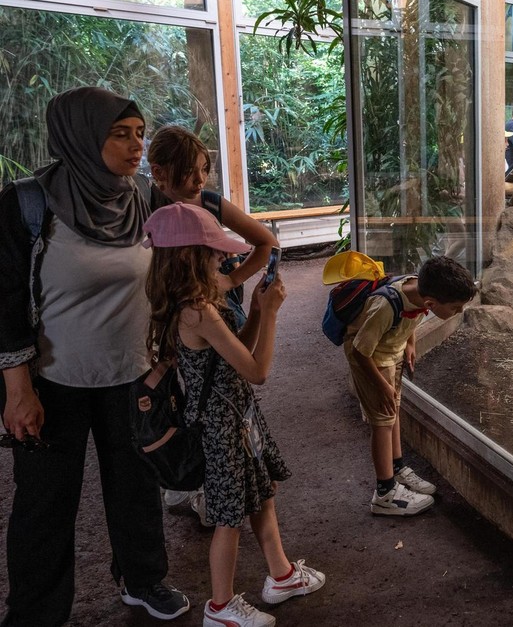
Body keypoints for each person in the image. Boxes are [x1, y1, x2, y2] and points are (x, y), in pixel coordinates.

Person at [0, 87, 190, 625]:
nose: (136, 146)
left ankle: (143, 579)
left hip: (132, 374)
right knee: (44, 502)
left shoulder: (145, 198)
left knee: (136, 485)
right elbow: (6, 299)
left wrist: (166, 352)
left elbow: (172, 276)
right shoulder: (27, 203)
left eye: (138, 133)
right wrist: (18, 391)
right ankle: (37, 612)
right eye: (119, 134)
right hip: (51, 382)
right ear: (81, 136)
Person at [144, 202, 325, 627]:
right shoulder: (198, 310)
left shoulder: (196, 299)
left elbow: (232, 353)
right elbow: (257, 370)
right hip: (221, 425)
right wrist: (274, 315)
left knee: (261, 492)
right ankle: (220, 608)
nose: (225, 257)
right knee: (228, 517)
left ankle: (281, 574)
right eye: (215, 251)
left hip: (236, 415)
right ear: (190, 256)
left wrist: (259, 310)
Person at [147, 125, 281, 518]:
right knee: (180, 392)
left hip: (208, 307)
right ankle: (189, 472)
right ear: (159, 173)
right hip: (168, 313)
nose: (199, 180)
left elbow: (266, 242)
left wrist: (229, 281)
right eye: (190, 171)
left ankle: (217, 484)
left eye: (204, 169)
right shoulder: (146, 208)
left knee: (219, 390)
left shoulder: (209, 202)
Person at [342, 256, 476, 517]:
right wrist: (380, 385)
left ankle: (397, 468)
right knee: (382, 420)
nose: (459, 312)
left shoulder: (418, 289)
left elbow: (414, 313)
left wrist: (410, 343)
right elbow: (359, 351)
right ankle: (384, 493)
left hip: (390, 352)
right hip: (370, 358)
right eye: (456, 308)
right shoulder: (385, 306)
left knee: (393, 412)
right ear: (432, 302)